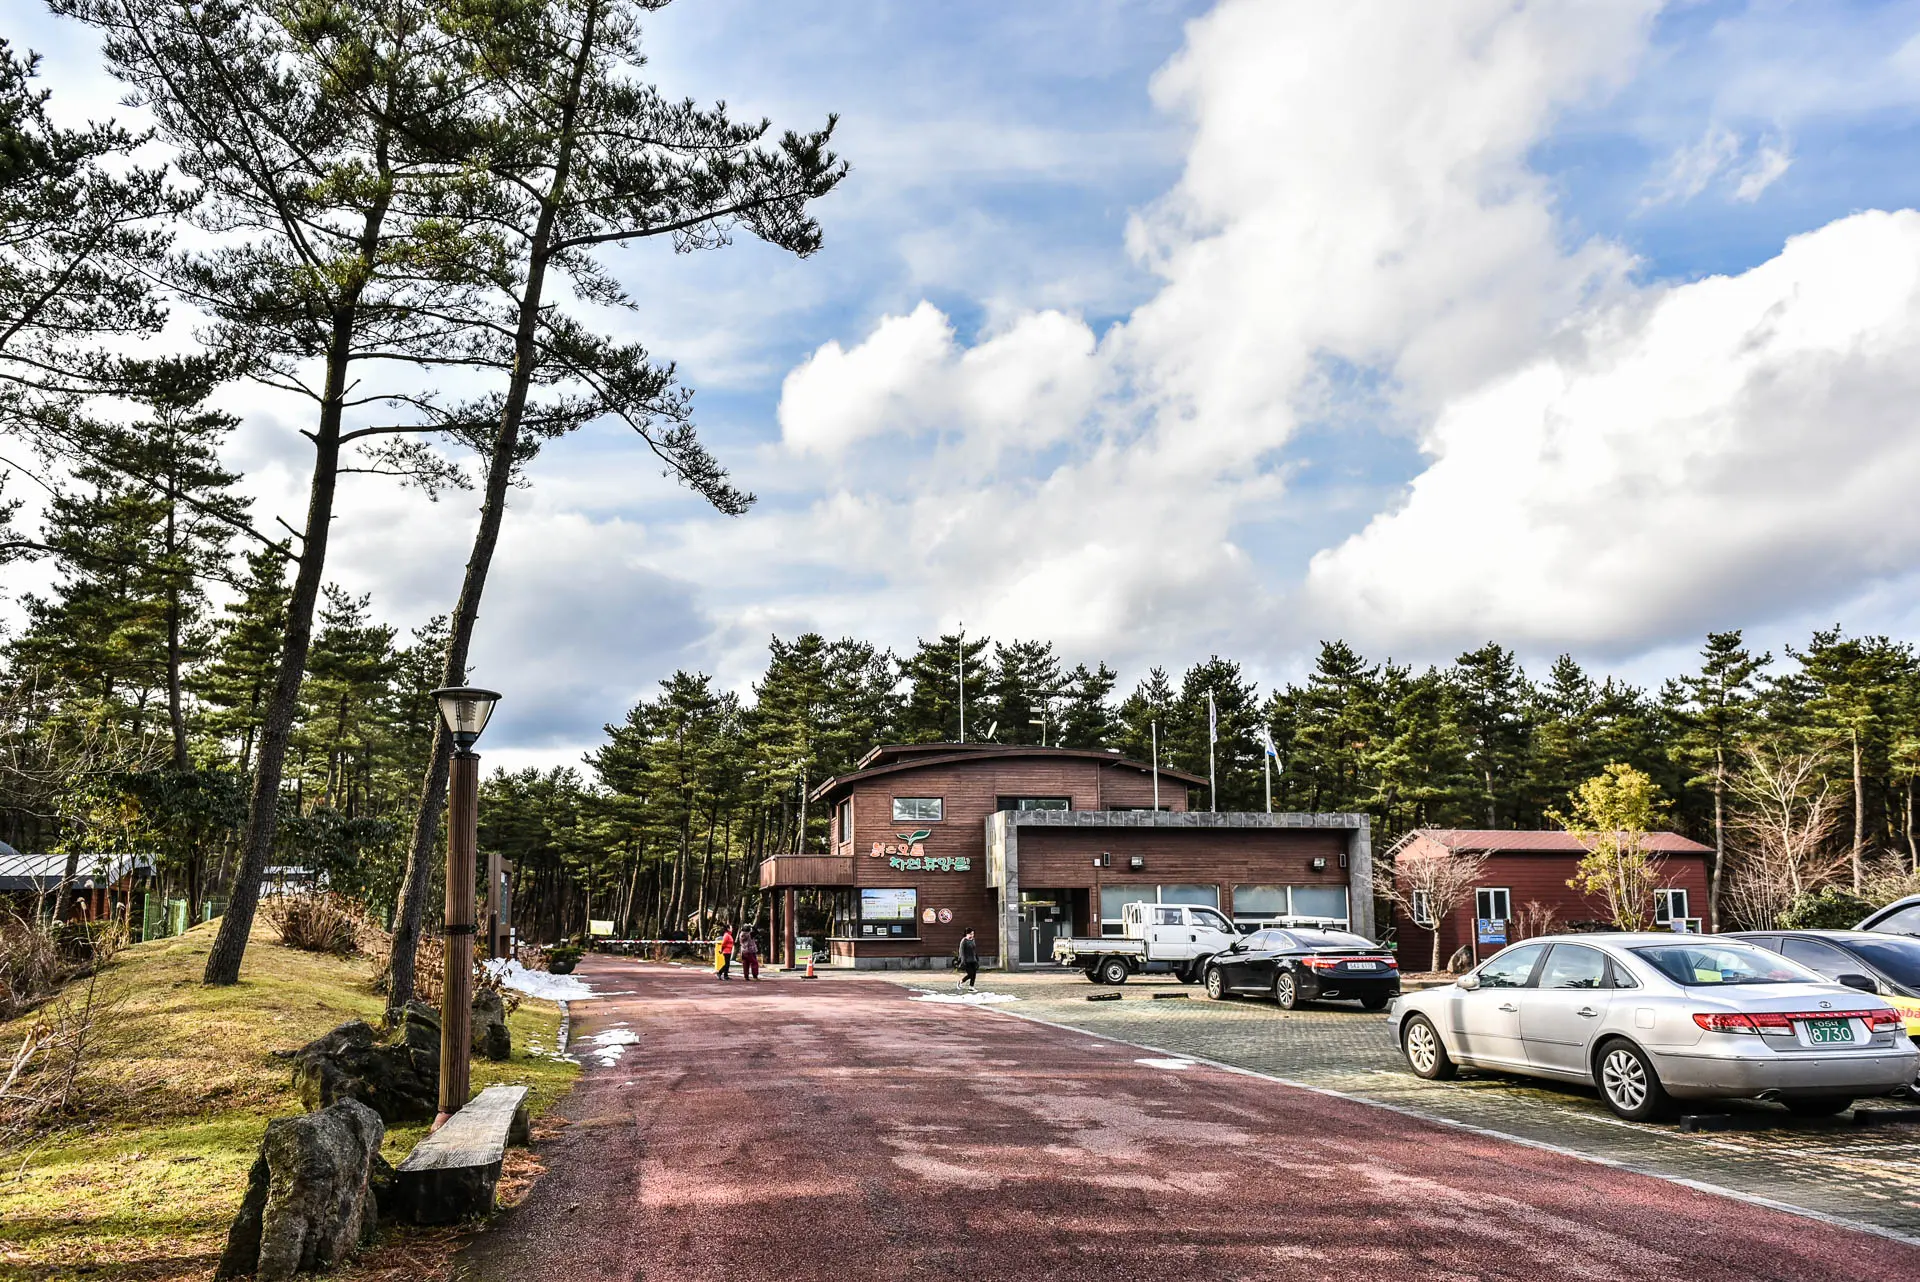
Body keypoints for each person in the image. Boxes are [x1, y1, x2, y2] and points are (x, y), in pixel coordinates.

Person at [956, 928, 979, 992]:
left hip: (973, 960)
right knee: (970, 974)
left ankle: (971, 987)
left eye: (973, 934)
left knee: (974, 974)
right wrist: (962, 961)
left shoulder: (973, 940)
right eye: (971, 934)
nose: (972, 935)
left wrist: (976, 959)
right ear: (967, 934)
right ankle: (960, 982)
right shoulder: (964, 941)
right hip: (966, 960)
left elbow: (974, 950)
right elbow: (961, 952)